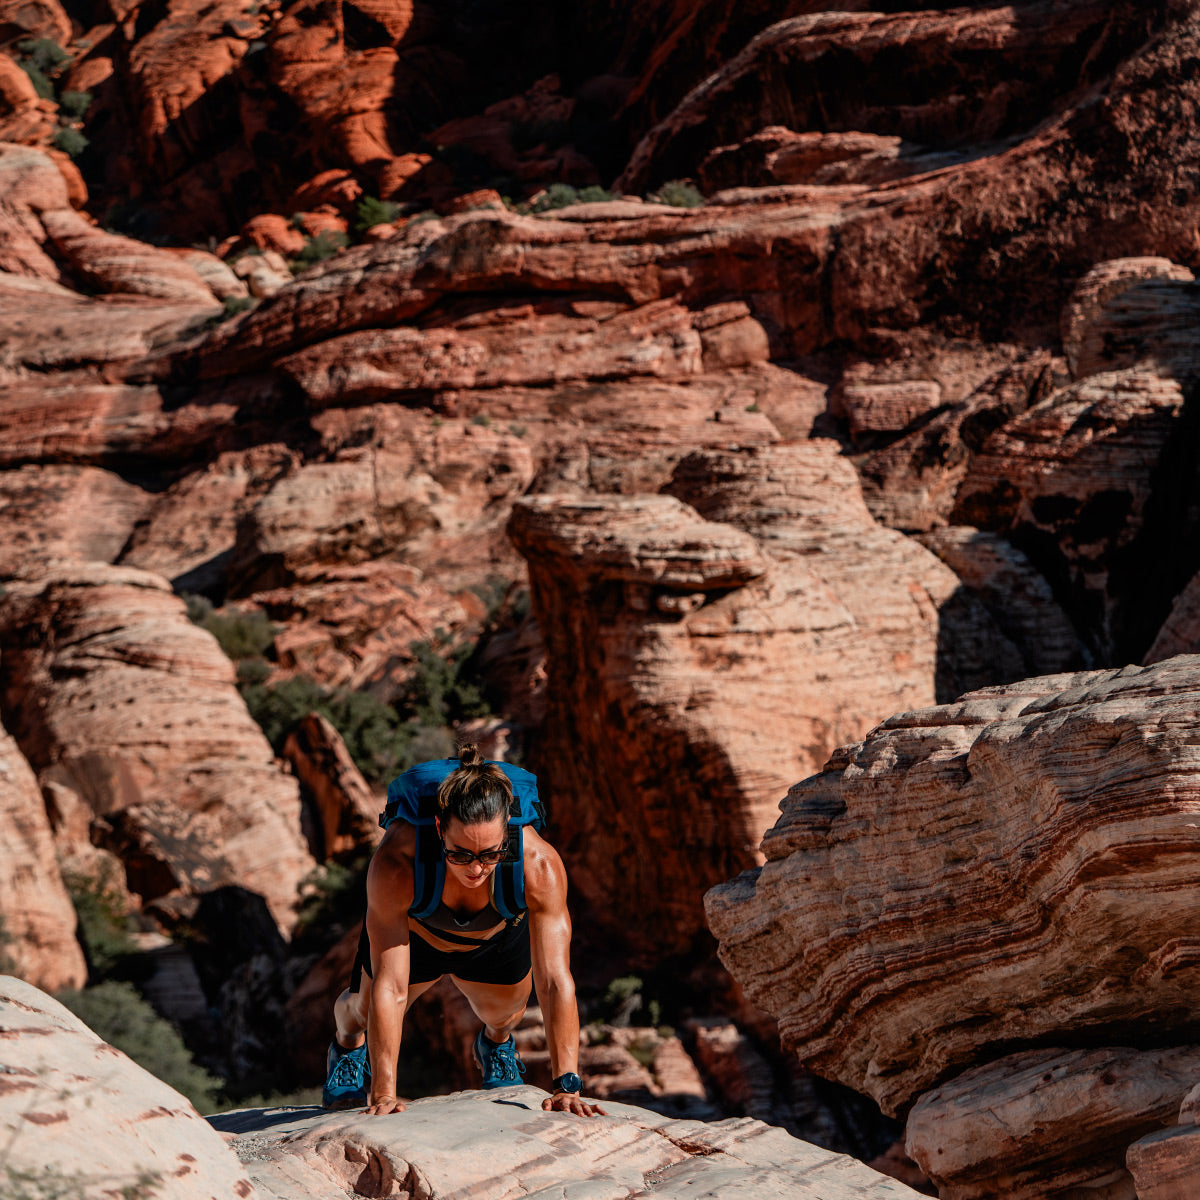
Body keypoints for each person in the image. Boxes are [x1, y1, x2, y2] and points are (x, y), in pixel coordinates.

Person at [322, 745, 604, 1117]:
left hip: (494, 939)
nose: (476, 868)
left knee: (507, 1015)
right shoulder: (396, 865)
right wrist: (384, 1095)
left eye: (491, 854)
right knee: (361, 1009)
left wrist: (566, 1083)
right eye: (460, 854)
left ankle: (496, 1045)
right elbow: (391, 986)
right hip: (416, 935)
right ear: (440, 829)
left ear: (508, 834)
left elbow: (554, 980)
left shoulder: (539, 866)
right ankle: (346, 1046)